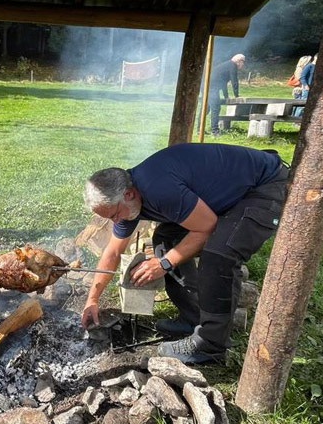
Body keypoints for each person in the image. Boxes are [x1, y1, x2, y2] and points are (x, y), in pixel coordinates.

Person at [81, 143, 289, 364]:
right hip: (225, 192)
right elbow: (113, 252)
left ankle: (210, 345)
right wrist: (92, 298)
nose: (115, 222)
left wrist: (162, 264)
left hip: (262, 188)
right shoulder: (127, 201)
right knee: (167, 238)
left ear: (129, 194)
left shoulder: (159, 189)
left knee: (220, 253)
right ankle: (194, 318)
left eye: (114, 214)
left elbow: (207, 227)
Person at [208, 54, 245, 136]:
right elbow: (234, 81)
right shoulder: (232, 65)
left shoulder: (227, 65)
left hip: (207, 86)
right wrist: (237, 95)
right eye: (243, 62)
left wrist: (226, 96)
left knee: (206, 108)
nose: (243, 64)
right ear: (239, 61)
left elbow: (223, 82)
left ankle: (199, 130)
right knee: (215, 107)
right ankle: (214, 131)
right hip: (211, 87)